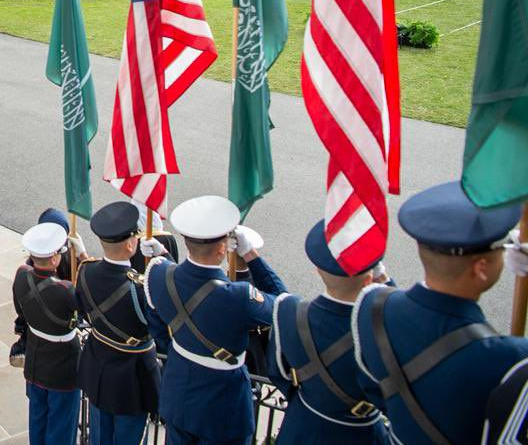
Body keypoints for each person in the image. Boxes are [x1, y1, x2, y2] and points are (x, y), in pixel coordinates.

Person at [352, 180, 528, 445]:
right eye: (503, 247)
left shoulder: (372, 306)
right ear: (481, 267)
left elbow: (372, 388)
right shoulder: (512, 358)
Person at [142, 194, 286, 445]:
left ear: (187, 242)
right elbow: (283, 302)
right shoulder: (238, 297)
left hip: (179, 394)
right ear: (223, 248)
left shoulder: (158, 274)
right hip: (223, 406)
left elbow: (179, 291)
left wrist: (164, 255)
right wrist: (251, 255)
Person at [267, 221, 389, 444]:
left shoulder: (288, 311)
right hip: (363, 434)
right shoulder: (385, 328)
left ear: (317, 270)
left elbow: (279, 374)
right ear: (370, 278)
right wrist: (388, 284)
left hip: (303, 426)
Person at [76, 202, 159, 445]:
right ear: (132, 244)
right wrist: (163, 259)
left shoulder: (85, 271)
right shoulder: (141, 288)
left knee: (100, 437)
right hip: (132, 379)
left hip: (99, 369)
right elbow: (164, 324)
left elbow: (81, 307)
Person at [13, 222, 81, 445]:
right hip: (62, 365)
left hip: (35, 359)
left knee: (38, 421)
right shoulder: (65, 291)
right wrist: (82, 255)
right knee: (61, 426)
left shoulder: (22, 276)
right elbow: (89, 297)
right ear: (54, 259)